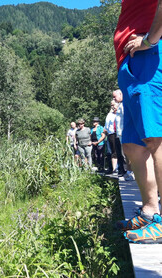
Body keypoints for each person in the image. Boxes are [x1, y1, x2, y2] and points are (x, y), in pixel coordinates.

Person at [114, 0, 162, 243]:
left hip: (149, 56)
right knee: (133, 145)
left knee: (156, 139)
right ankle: (150, 211)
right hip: (131, 61)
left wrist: (149, 40)